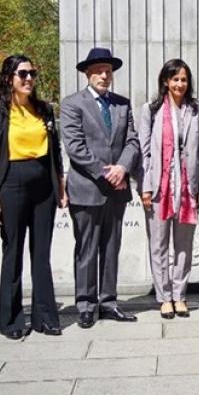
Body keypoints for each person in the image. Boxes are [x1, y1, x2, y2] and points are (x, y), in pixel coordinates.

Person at [0, 55, 66, 339]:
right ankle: (11, 320)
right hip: (12, 184)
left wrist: (60, 185)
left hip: (44, 185)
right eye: (23, 74)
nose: (29, 79)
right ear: (9, 78)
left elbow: (55, 150)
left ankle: (45, 317)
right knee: (13, 251)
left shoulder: (44, 109)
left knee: (41, 253)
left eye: (32, 73)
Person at [60, 47, 141, 328]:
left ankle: (108, 303)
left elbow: (132, 141)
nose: (104, 76)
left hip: (117, 190)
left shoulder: (122, 104)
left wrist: (123, 168)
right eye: (98, 71)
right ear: (87, 73)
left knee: (111, 248)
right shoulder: (72, 104)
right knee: (87, 249)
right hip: (87, 188)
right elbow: (75, 146)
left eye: (108, 71)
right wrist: (106, 172)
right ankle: (85, 304)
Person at [135, 59, 199, 319]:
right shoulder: (151, 109)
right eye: (175, 79)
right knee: (158, 244)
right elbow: (144, 151)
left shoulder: (198, 109)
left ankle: (180, 294)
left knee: (184, 245)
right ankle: (164, 297)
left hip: (188, 187)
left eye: (184, 79)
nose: (180, 84)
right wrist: (145, 187)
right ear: (166, 81)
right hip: (159, 186)